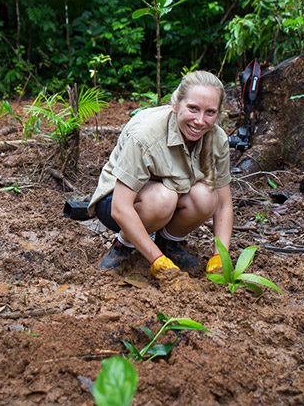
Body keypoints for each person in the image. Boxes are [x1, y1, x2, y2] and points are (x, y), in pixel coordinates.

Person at [87, 70, 234, 291]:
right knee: (163, 198)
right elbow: (120, 207)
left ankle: (169, 242)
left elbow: (223, 204)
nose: (200, 121)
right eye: (193, 108)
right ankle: (123, 245)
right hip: (118, 202)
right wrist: (160, 264)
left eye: (210, 112)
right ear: (176, 104)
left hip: (170, 195)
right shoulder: (145, 135)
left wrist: (220, 256)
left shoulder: (217, 139)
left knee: (206, 196)